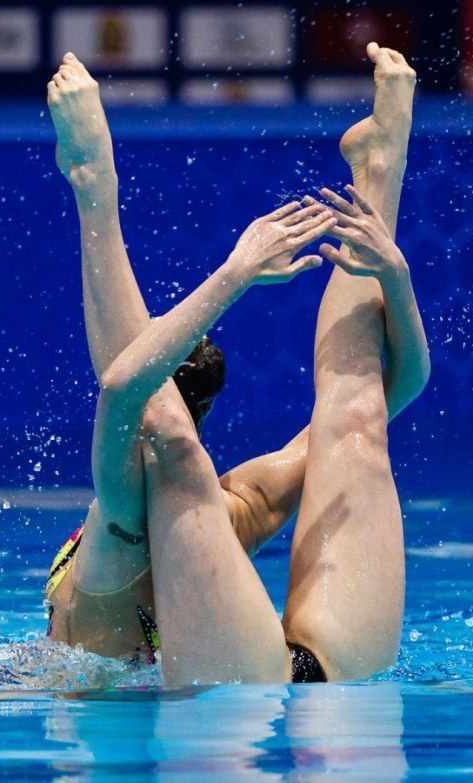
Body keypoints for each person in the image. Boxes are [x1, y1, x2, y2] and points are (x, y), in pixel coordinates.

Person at [45, 43, 428, 684]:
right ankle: (93, 181)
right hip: (229, 699)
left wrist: (396, 275)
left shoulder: (224, 509)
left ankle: (379, 172)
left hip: (322, 664)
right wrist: (236, 273)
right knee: (169, 443)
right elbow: (124, 387)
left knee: (356, 415)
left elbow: (397, 392)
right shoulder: (116, 522)